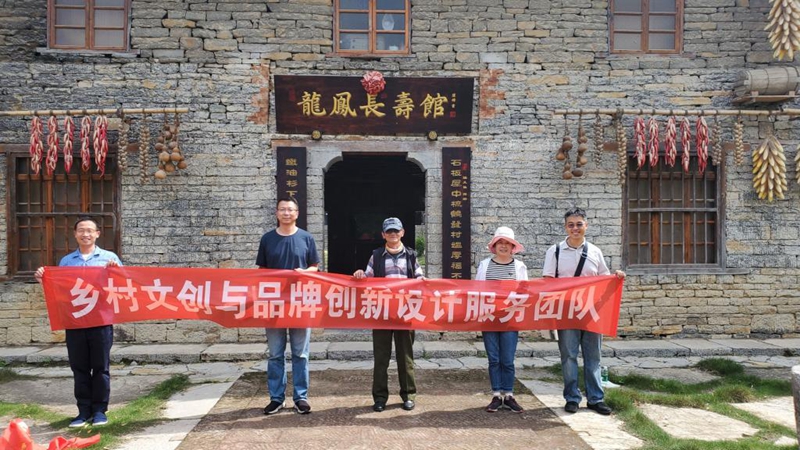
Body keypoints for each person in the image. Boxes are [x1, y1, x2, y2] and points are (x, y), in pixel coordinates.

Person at [35, 216, 121, 428]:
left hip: (100, 321)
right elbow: (60, 292)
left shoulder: (109, 258)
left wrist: (116, 272)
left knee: (100, 368)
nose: (85, 234)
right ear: (75, 234)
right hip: (75, 323)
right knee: (79, 367)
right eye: (81, 230)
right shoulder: (67, 262)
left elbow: (122, 287)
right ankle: (83, 411)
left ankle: (99, 411)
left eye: (90, 230)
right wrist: (43, 279)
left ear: (97, 234)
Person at [542, 207, 625, 416]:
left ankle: (596, 398)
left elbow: (604, 279)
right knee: (568, 355)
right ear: (565, 227)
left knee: (593, 356)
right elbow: (548, 281)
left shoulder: (595, 251)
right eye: (571, 225)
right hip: (567, 311)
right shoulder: (555, 251)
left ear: (586, 226)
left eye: (579, 224)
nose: (575, 228)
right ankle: (572, 398)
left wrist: (616, 277)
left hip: (591, 312)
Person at [256, 197, 320, 415]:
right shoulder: (267, 239)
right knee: (275, 353)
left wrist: (305, 272)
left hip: (300, 302)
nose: (286, 213)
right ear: (276, 213)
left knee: (301, 354)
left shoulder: (306, 238)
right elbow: (261, 271)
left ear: (297, 213)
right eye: (282, 209)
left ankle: (301, 397)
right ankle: (276, 398)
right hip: (274, 303)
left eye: (290, 209)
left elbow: (314, 267)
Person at [353, 217, 423, 412]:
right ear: (383, 235)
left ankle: (408, 395)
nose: (393, 234)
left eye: (396, 231)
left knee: (406, 358)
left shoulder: (411, 256)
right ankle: (380, 398)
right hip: (381, 313)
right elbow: (366, 278)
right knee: (381, 358)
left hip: (405, 314)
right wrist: (359, 274)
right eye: (389, 231)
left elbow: (420, 279)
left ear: (402, 233)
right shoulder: (376, 256)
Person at [475, 226, 528, 413]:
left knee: (508, 359)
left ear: (513, 247)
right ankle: (497, 394)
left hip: (510, 319)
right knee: (494, 359)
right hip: (489, 318)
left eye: (507, 243)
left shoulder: (519, 267)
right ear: (494, 246)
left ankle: (509, 394)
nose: (504, 246)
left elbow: (525, 293)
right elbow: (477, 291)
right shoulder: (485, 265)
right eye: (500, 243)